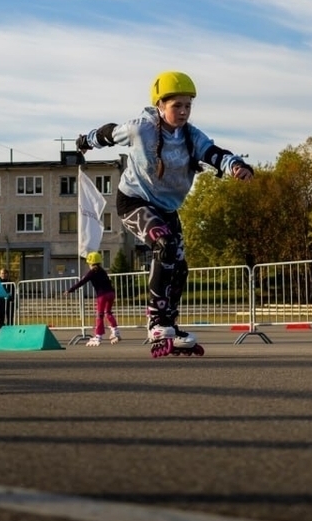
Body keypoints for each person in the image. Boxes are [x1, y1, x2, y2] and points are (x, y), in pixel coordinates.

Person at [76, 70, 254, 357]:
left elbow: (214, 153)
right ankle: (156, 321)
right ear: (160, 105)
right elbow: (110, 133)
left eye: (188, 106)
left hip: (168, 209)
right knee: (165, 245)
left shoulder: (191, 137)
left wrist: (234, 166)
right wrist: (87, 140)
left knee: (179, 266)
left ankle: (169, 325)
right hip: (134, 200)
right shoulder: (141, 128)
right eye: (177, 106)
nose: (183, 112)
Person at [67, 251, 120, 346]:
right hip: (111, 293)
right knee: (108, 312)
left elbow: (82, 282)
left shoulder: (92, 272)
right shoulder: (102, 271)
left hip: (102, 295)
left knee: (99, 315)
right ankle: (115, 331)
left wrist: (70, 290)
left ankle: (98, 336)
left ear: (90, 263)